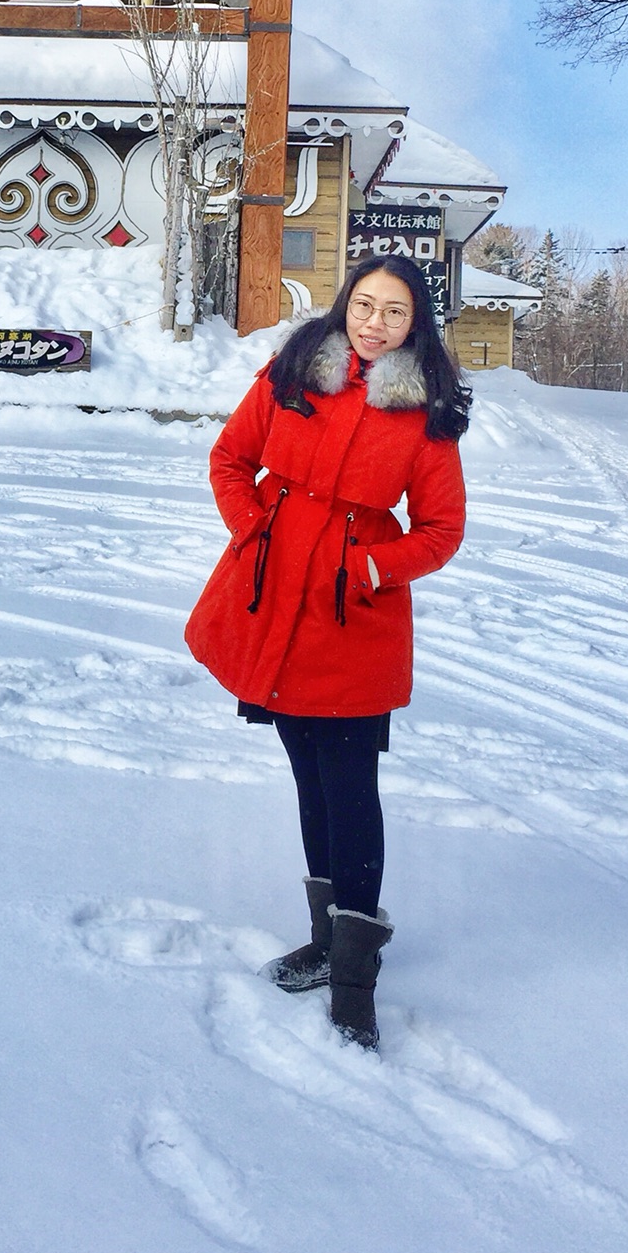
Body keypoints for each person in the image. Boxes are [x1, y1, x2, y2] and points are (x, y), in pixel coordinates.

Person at [185, 255, 470, 1049]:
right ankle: (324, 943)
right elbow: (230, 459)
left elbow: (442, 529)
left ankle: (355, 982)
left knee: (350, 788)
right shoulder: (293, 372)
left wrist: (375, 564)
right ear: (346, 303)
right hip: (276, 601)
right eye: (365, 304)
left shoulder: (426, 413)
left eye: (396, 313)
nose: (374, 323)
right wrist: (256, 528)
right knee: (309, 775)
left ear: (417, 326)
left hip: (354, 619)